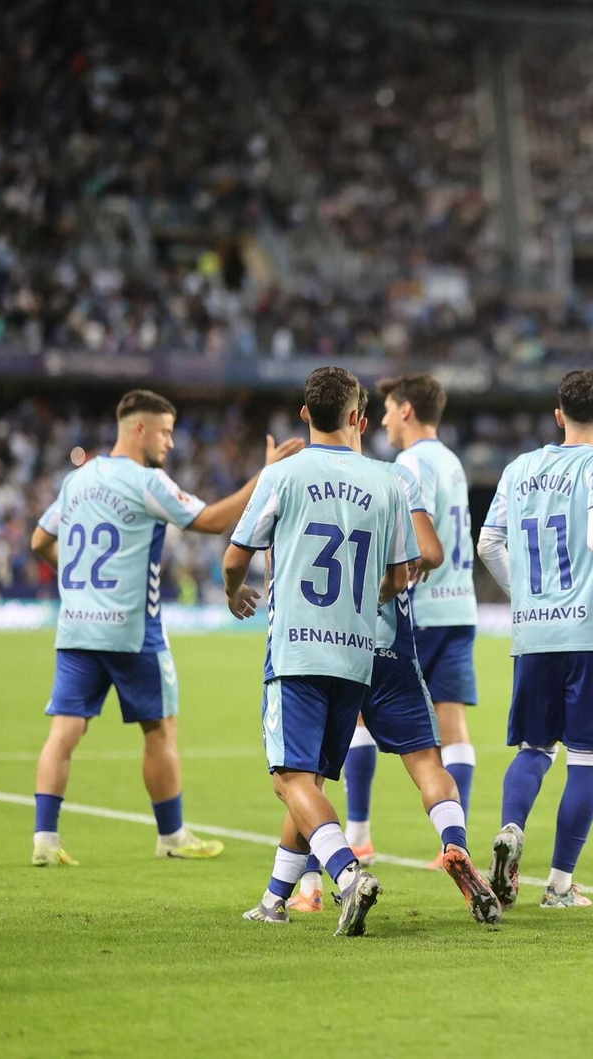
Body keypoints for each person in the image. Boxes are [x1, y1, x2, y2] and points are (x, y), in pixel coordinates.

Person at [28, 388, 303, 867]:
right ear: (140, 428)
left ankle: (44, 841)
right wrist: (267, 475)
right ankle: (172, 835)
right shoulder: (146, 482)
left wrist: (80, 579)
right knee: (159, 732)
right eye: (166, 432)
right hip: (133, 632)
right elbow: (213, 520)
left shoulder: (79, 479)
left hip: (77, 627)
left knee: (64, 733)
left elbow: (39, 540)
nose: (172, 444)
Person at [272, 385, 499, 926]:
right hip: (409, 632)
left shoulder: (324, 473)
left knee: (301, 775)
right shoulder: (416, 471)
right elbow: (424, 556)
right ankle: (455, 841)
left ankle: (328, 867)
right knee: (431, 756)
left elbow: (246, 551)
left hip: (330, 640)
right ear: (360, 417)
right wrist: (391, 582)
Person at [223, 366, 419, 936]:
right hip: (356, 654)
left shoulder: (283, 474)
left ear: (305, 416)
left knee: (289, 779)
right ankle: (274, 898)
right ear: (359, 419)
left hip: (298, 650)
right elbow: (403, 574)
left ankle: (346, 873)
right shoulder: (388, 482)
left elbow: (236, 555)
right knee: (310, 782)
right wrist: (363, 602)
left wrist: (234, 593)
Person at [476, 370, 593, 910]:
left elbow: (489, 543)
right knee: (587, 759)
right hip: (590, 630)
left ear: (558, 415)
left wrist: (523, 593)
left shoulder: (519, 468)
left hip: (534, 631)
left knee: (533, 748)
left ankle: (509, 828)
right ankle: (560, 885)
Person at [378, 375, 480, 832]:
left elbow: (423, 540)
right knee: (454, 722)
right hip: (460, 606)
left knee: (362, 715)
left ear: (406, 410)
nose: (382, 418)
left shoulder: (411, 461)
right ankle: (459, 834)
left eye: (387, 408)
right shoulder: (453, 461)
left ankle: (358, 834)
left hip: (420, 610)